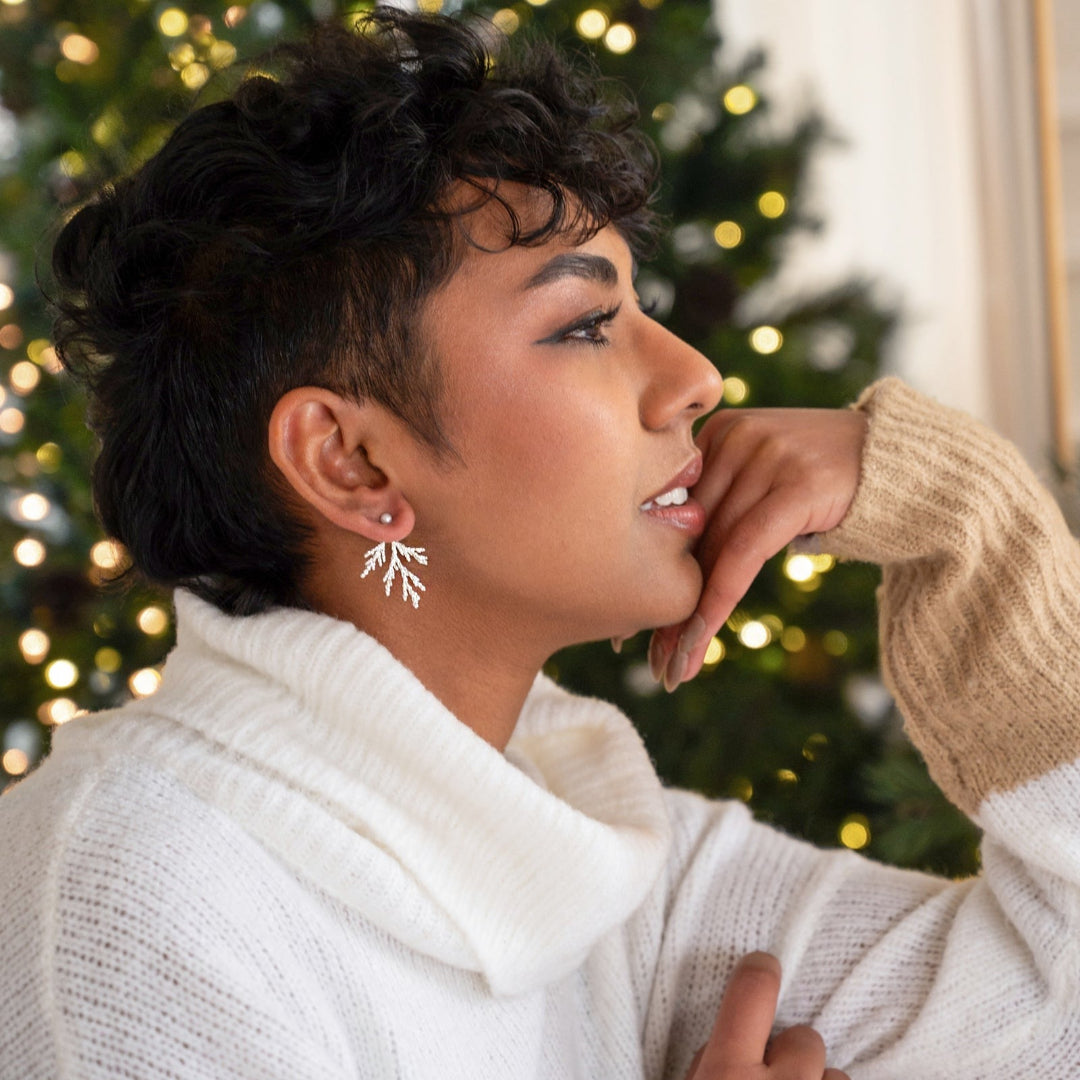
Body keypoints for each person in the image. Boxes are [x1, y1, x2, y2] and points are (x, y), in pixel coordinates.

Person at [1, 7, 1077, 1078]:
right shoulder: (129, 902)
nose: (695, 379)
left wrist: (972, 526)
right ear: (349, 463)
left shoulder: (595, 855)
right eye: (583, 328)